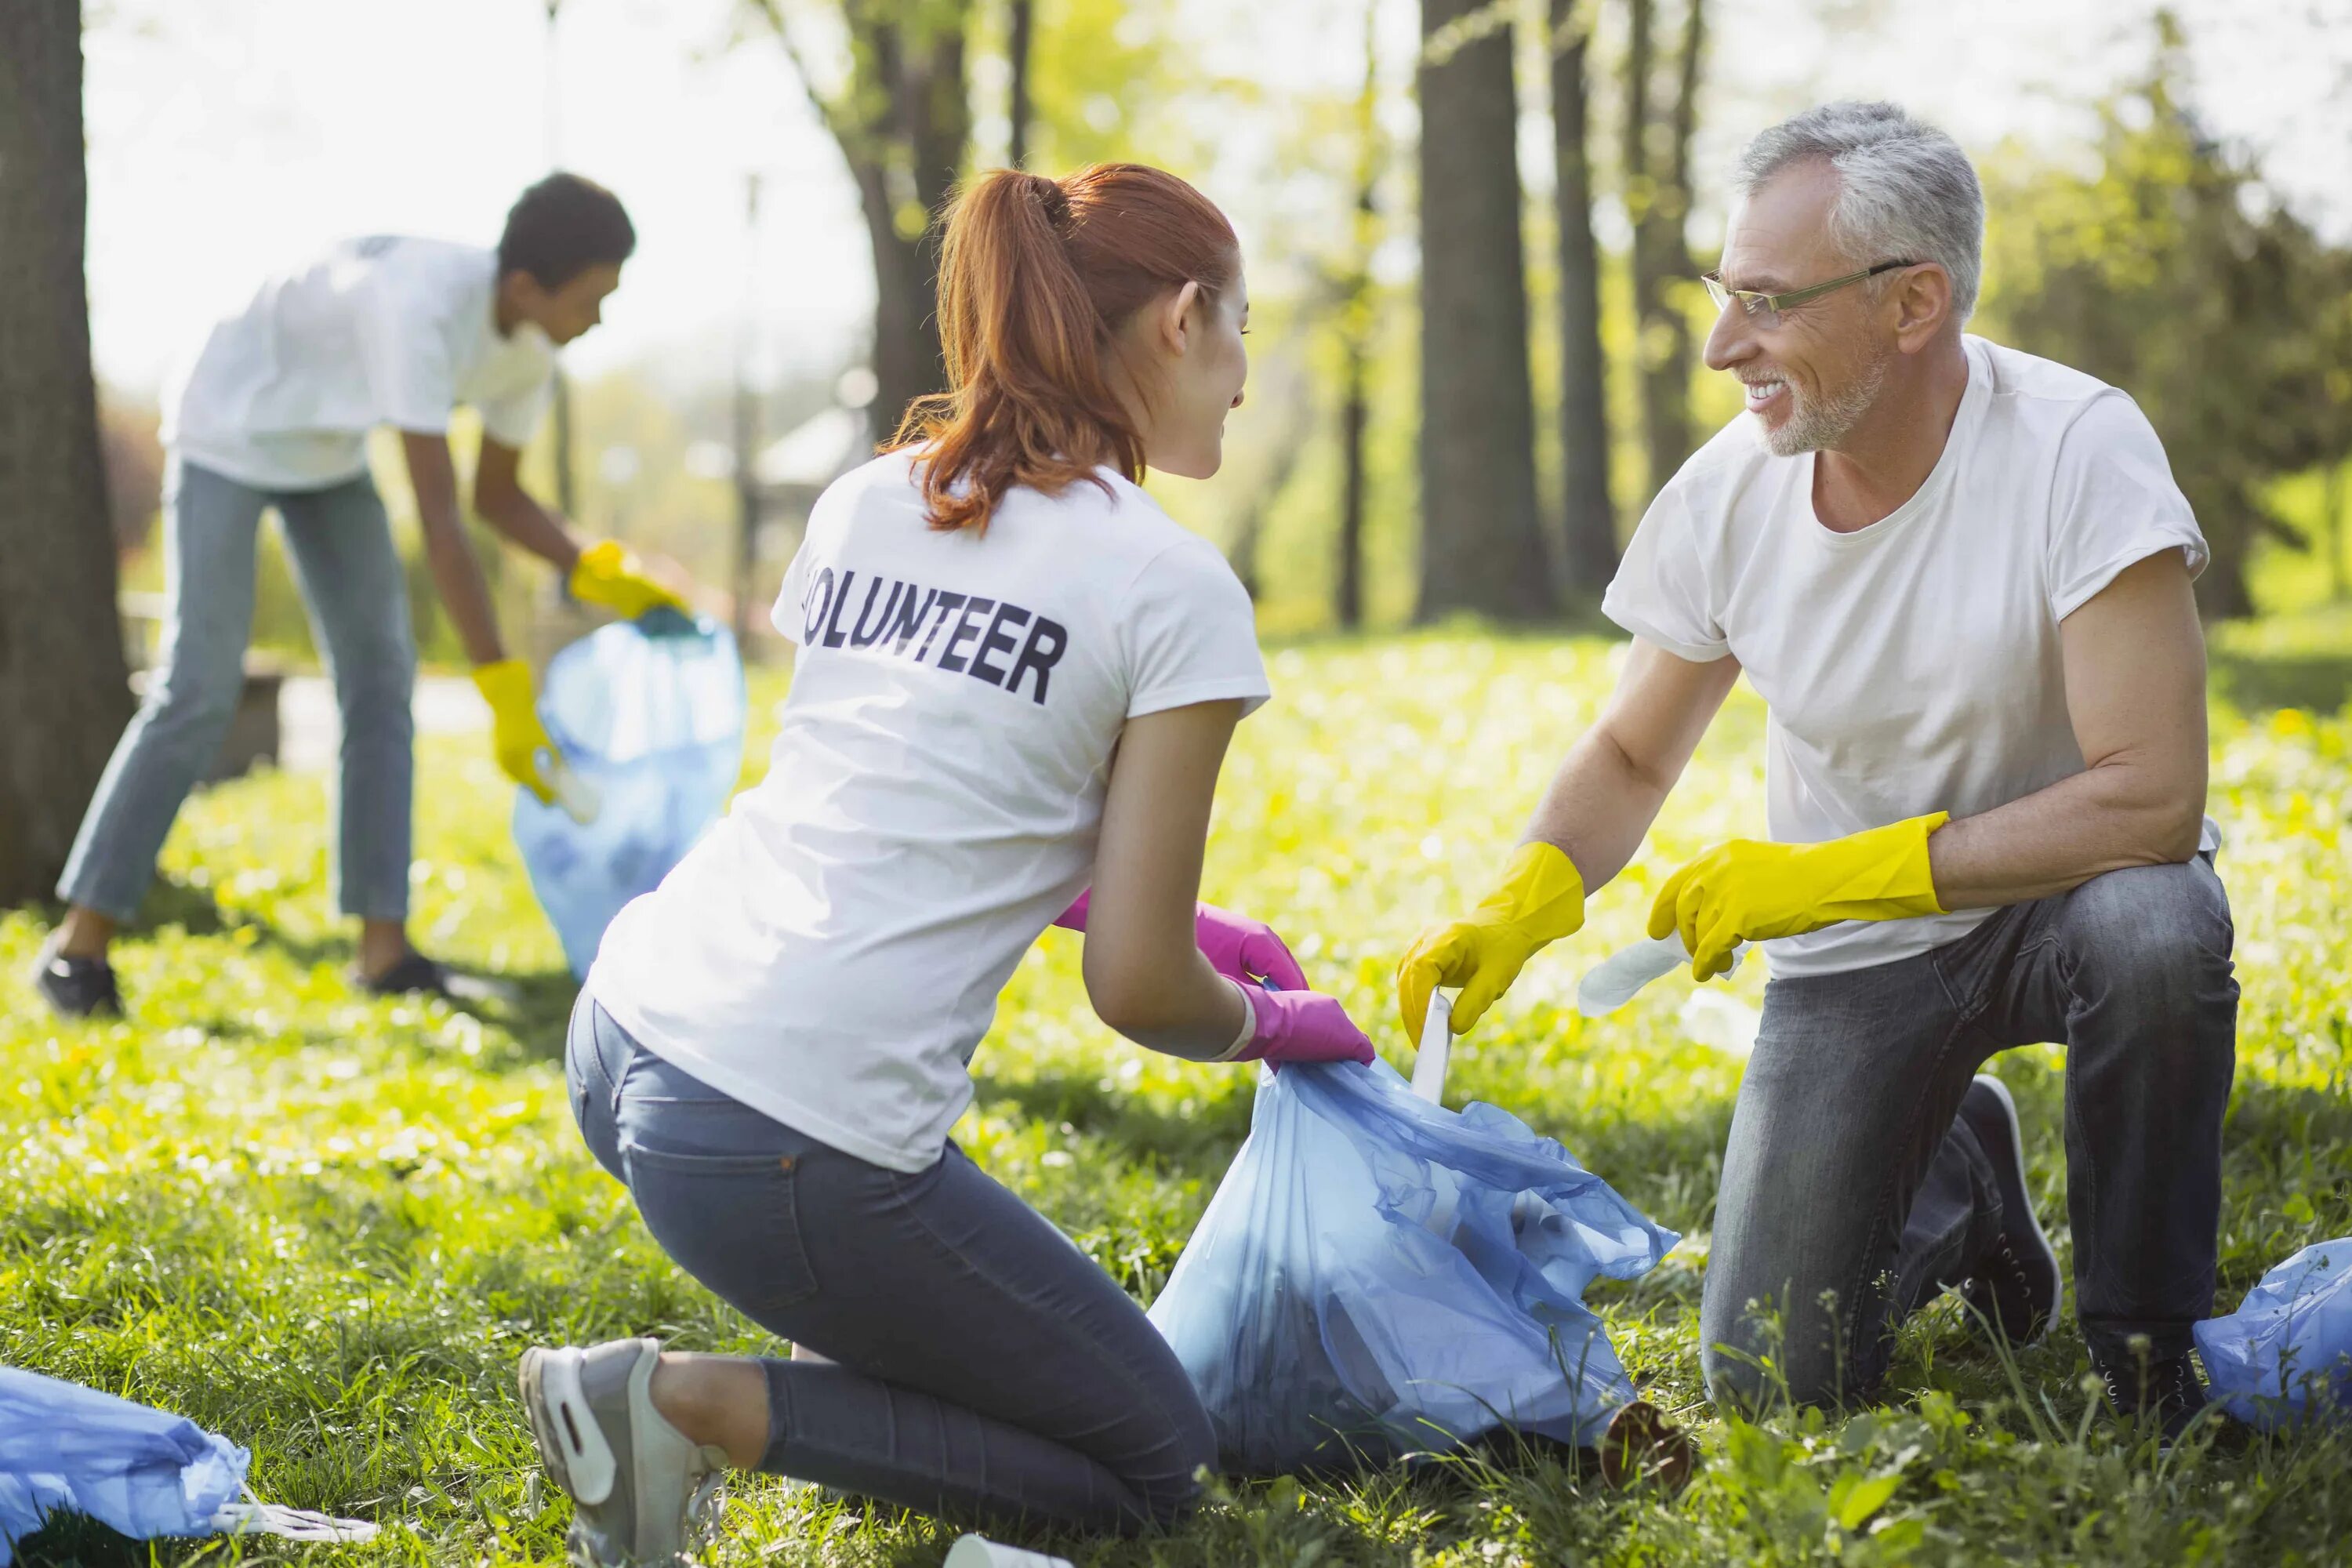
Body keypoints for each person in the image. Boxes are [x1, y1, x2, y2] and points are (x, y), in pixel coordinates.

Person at [515, 162, 1376, 1564]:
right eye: (1239, 331)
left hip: (624, 1040)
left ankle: (811, 1383)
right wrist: (1273, 1025)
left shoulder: (877, 498)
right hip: (780, 1137)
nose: (1239, 373)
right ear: (1180, 318)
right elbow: (1139, 992)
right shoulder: (1170, 587)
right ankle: (675, 1404)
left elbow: (921, 790)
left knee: (986, 1369)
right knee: (1153, 1460)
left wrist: (1187, 921)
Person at [1399, 103, 2235, 1443]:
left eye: (1769, 304)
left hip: (2068, 895)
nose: (1727, 345)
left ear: (1915, 304)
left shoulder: (2078, 449)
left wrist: (1830, 876)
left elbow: (2151, 798)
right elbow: (1629, 748)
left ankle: (2145, 1351)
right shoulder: (1732, 491)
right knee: (1771, 1376)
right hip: (1861, 959)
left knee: (2158, 925)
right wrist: (1529, 896)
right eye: (1726, 295)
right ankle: (1962, 1179)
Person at [33, 172, 687, 1014]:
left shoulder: (531, 349)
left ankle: (384, 952)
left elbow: (502, 497)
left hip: (327, 450)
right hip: (231, 422)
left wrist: (603, 572)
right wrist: (501, 685)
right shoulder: (416, 307)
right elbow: (443, 520)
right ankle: (77, 947)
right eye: (593, 298)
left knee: (381, 678)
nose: (598, 318)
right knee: (197, 686)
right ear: (527, 286)